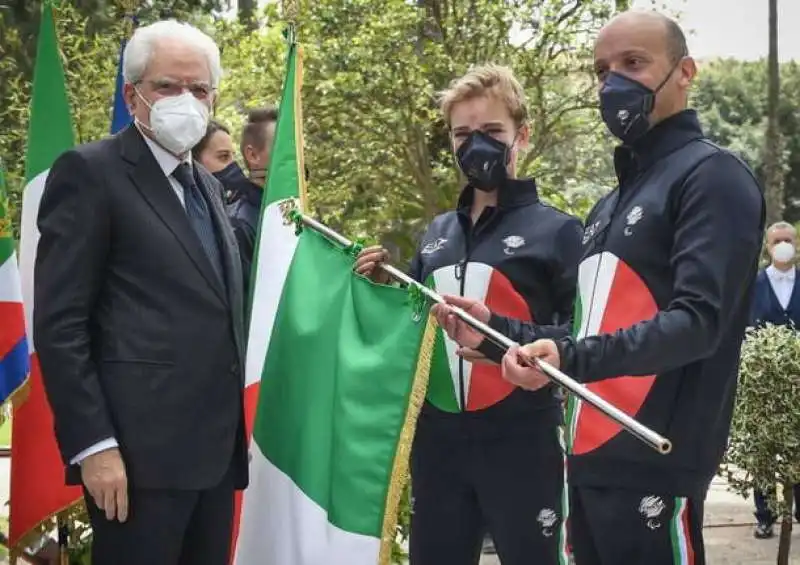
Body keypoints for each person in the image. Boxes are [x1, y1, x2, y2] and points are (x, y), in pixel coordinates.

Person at [433, 11, 765, 565]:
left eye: (634, 64)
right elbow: (586, 333)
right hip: (586, 465)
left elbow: (698, 322)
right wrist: (497, 332)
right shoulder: (608, 205)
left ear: (685, 72)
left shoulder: (712, 176)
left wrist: (568, 353)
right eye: (601, 70)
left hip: (655, 467)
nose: (614, 84)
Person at [34, 20, 248, 565]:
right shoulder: (90, 173)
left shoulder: (209, 187)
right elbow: (61, 324)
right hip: (134, 463)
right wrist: (94, 446)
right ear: (133, 95)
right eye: (167, 87)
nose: (186, 101)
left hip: (214, 458)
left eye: (199, 90)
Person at [355, 64, 583, 565]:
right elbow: (413, 324)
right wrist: (380, 288)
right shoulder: (437, 232)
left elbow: (578, 338)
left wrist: (503, 343)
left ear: (521, 136)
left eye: (491, 132)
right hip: (439, 442)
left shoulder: (560, 231)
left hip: (522, 438)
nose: (476, 145)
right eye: (463, 133)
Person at [749, 221, 800, 539]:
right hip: (762, 385)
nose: (783, 245)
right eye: (777, 240)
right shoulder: (752, 285)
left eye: (788, 240)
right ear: (768, 246)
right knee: (763, 450)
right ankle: (764, 515)